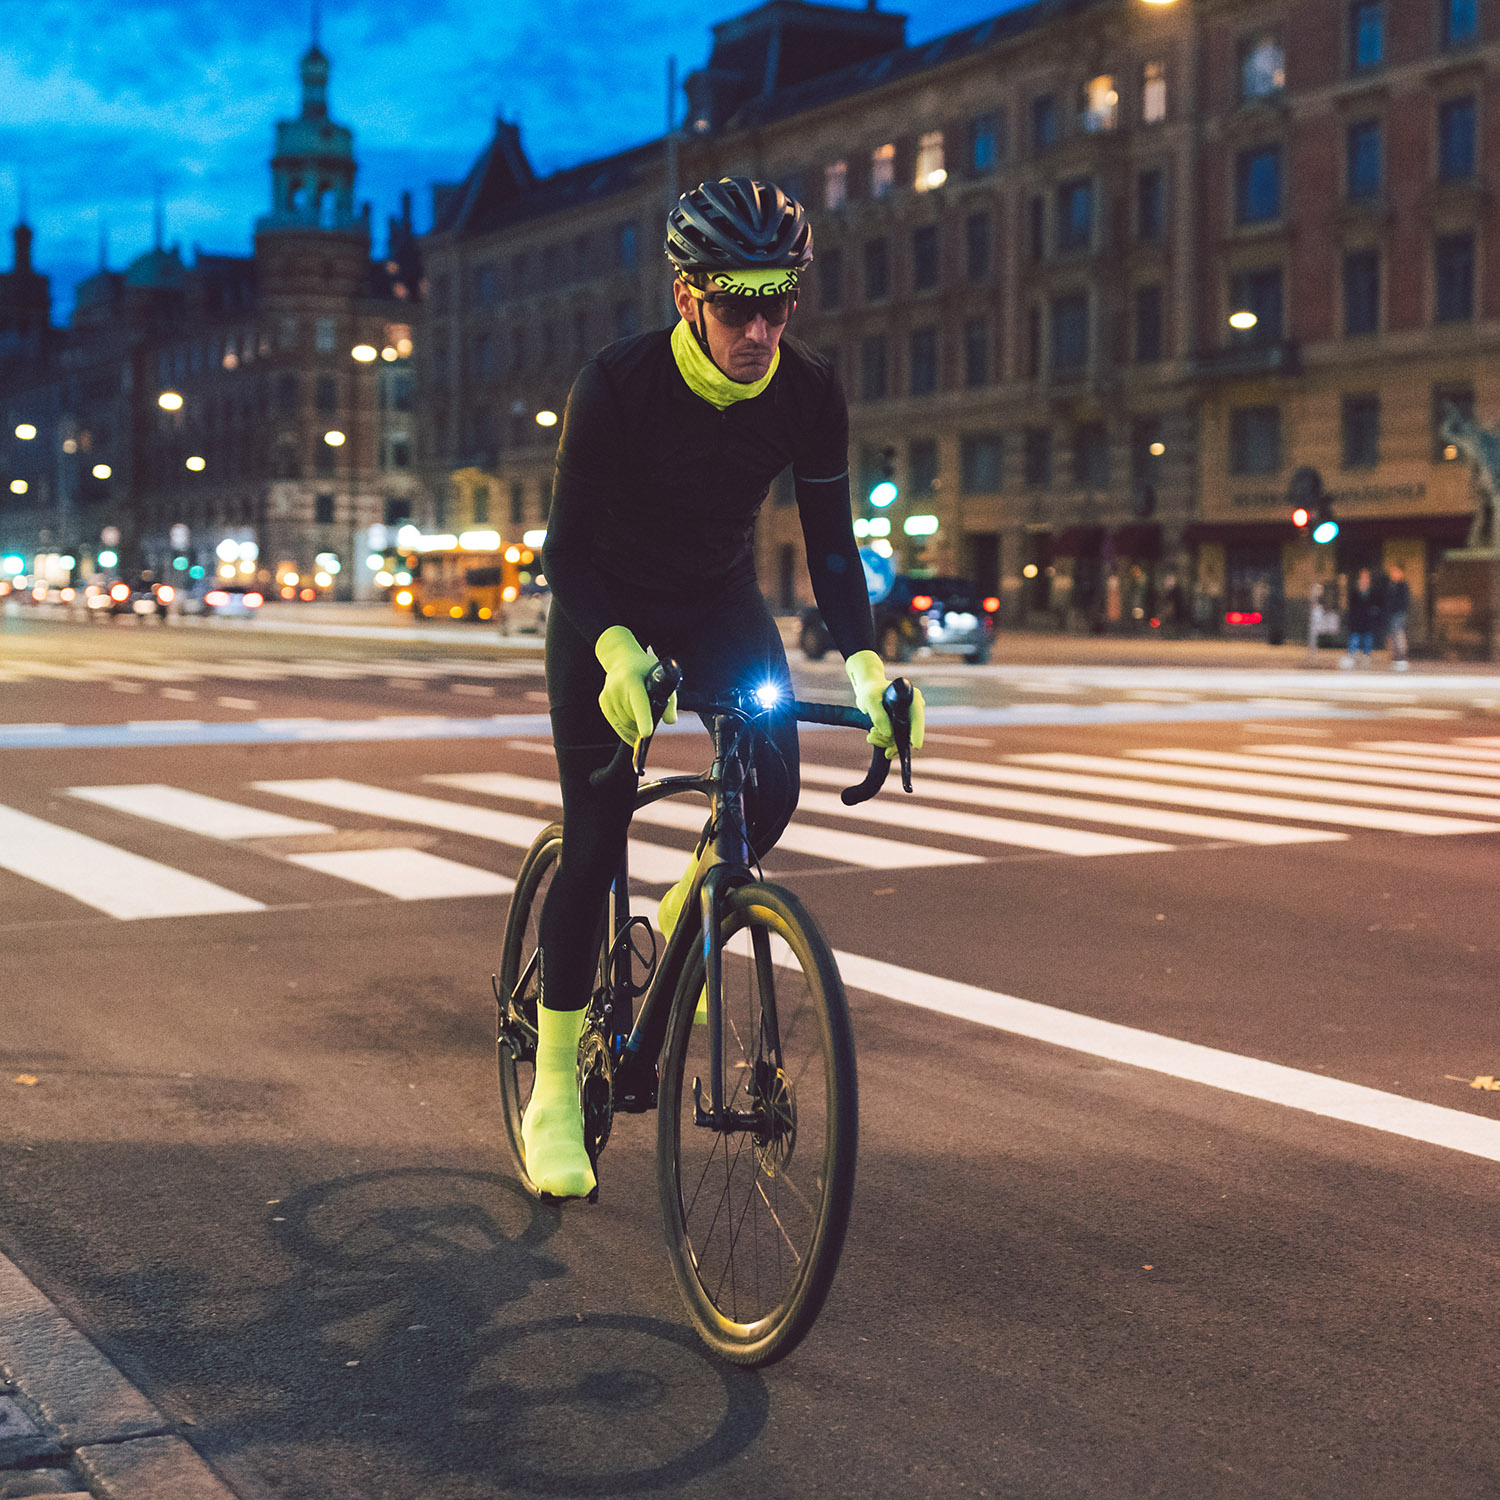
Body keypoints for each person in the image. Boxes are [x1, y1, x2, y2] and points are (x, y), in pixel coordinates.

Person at [525, 177, 926, 1198]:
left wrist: (872, 669)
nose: (760, 328)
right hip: (605, 612)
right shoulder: (615, 385)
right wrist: (616, 651)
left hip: (712, 601)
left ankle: (696, 898)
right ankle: (557, 1094)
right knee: (597, 830)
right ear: (685, 296)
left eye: (780, 301)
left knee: (776, 778)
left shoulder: (808, 389)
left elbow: (835, 554)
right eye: (737, 303)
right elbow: (563, 555)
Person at [1341, 567, 1378, 668]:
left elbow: (1375, 604)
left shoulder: (1372, 591)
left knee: (1367, 638)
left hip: (1367, 620)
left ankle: (1366, 656)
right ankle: (1352, 655)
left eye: (1366, 577)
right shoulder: (1355, 590)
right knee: (1355, 638)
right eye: (1363, 576)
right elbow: (1352, 605)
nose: (1364, 579)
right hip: (1356, 620)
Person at [1383, 563, 1411, 671]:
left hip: (1398, 613)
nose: (1393, 574)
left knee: (1398, 633)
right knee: (1391, 634)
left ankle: (1401, 656)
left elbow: (1404, 601)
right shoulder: (1389, 585)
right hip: (1390, 613)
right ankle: (1394, 656)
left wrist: (1399, 609)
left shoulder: (1403, 585)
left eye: (1395, 571)